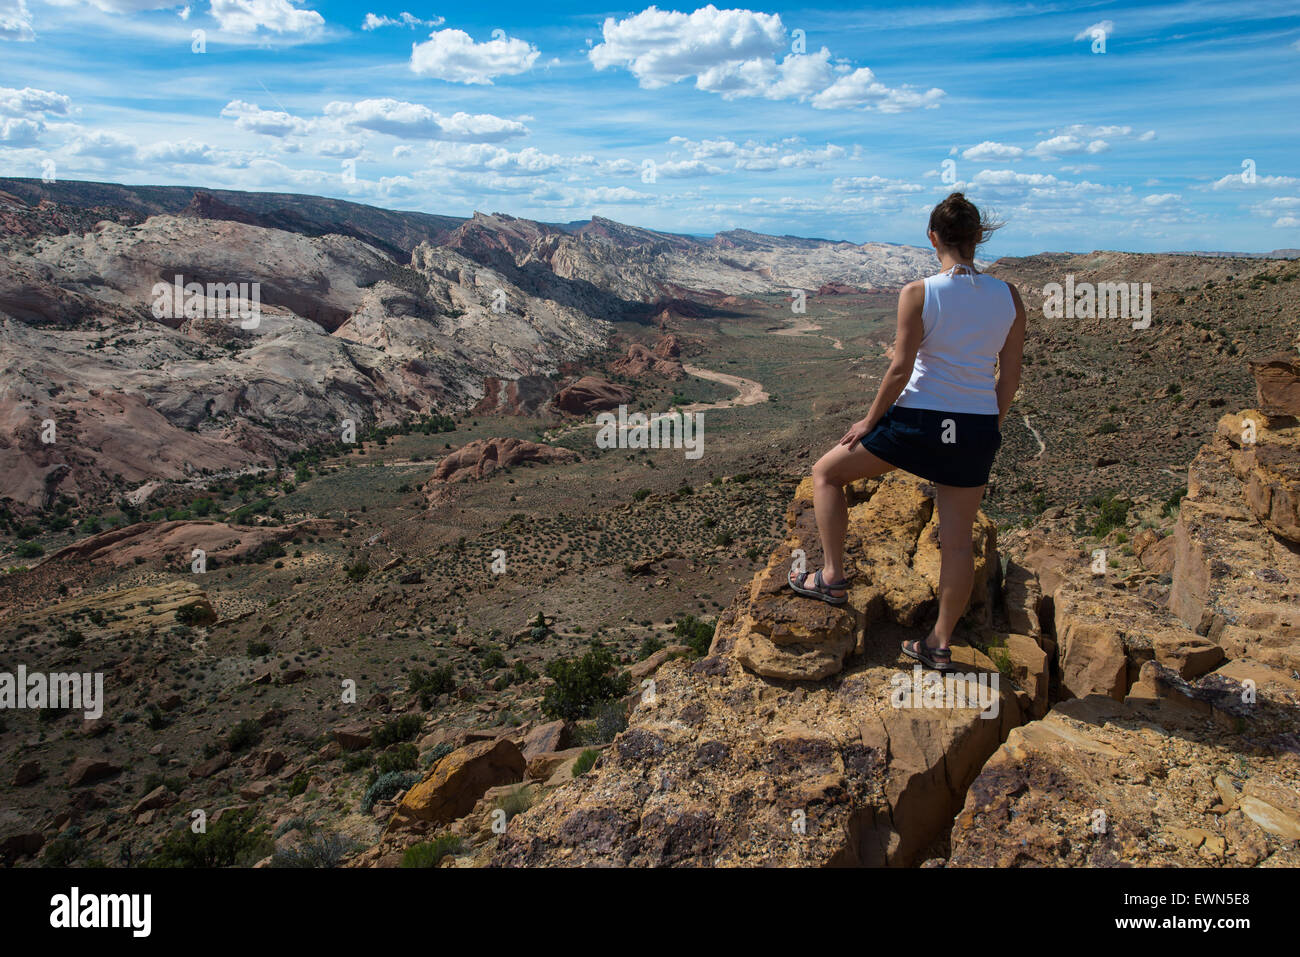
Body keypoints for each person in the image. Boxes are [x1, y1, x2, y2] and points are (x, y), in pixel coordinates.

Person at [788, 192, 1026, 672]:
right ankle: (938, 643)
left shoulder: (919, 292)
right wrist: (990, 427)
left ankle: (832, 578)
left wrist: (869, 422)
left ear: (932, 237)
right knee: (957, 543)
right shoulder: (1009, 296)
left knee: (827, 474)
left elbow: (900, 369)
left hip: (918, 422)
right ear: (978, 238)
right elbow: (1011, 374)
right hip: (975, 427)